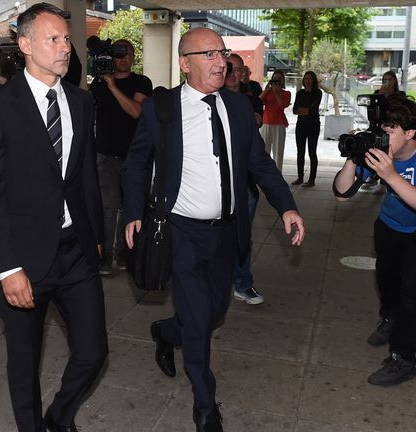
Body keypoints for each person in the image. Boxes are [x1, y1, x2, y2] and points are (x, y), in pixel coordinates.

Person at [123, 27, 305, 432]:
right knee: (199, 318)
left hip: (227, 232)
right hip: (181, 231)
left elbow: (259, 164)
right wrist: (133, 211)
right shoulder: (162, 108)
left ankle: (164, 331)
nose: (220, 61)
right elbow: (136, 162)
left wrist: (286, 206)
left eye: (222, 53)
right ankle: (205, 403)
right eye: (209, 55)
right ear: (185, 64)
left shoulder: (239, 108)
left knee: (213, 312)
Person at [0, 4, 107, 432]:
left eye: (67, 38)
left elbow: (85, 177)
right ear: (25, 44)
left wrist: (96, 236)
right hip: (22, 257)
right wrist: (7, 267)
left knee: (93, 351)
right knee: (24, 363)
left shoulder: (81, 102)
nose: (65, 47)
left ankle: (59, 417)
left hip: (75, 252)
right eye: (54, 39)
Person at [333, 97, 416, 386]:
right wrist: (354, 156)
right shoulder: (379, 146)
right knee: (387, 282)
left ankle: (403, 358)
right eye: (381, 129)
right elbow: (341, 194)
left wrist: (389, 174)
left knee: (412, 293)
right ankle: (390, 318)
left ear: (410, 132)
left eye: (390, 131)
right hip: (389, 224)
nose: (382, 137)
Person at [89, 38, 152, 275]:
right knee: (107, 208)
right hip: (105, 156)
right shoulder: (98, 83)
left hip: (134, 158)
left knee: (130, 209)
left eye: (127, 54)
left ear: (134, 57)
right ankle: (103, 258)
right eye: (118, 54)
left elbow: (137, 112)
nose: (123, 58)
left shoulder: (141, 82)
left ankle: (123, 254)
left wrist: (113, 87)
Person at [224, 53, 264, 305]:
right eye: (230, 68)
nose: (234, 73)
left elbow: (256, 121)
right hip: (218, 179)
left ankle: (242, 283)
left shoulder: (250, 100)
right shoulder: (211, 98)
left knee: (243, 234)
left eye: (238, 69)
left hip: (245, 179)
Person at [291, 71, 323, 187]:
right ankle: (300, 178)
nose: (308, 80)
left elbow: (313, 110)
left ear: (313, 80)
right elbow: (295, 110)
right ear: (303, 80)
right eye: (306, 78)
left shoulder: (318, 93)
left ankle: (311, 180)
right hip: (301, 125)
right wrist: (307, 110)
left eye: (310, 78)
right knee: (300, 152)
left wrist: (305, 110)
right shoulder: (300, 93)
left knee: (312, 152)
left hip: (313, 125)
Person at [260, 69, 292, 172]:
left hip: (279, 123)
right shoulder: (268, 92)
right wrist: (266, 90)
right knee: (264, 151)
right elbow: (258, 100)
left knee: (278, 151)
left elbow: (282, 105)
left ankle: (278, 174)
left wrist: (276, 92)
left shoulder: (286, 93)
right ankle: (265, 174)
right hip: (266, 122)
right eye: (274, 78)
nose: (276, 81)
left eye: (278, 79)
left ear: (282, 80)